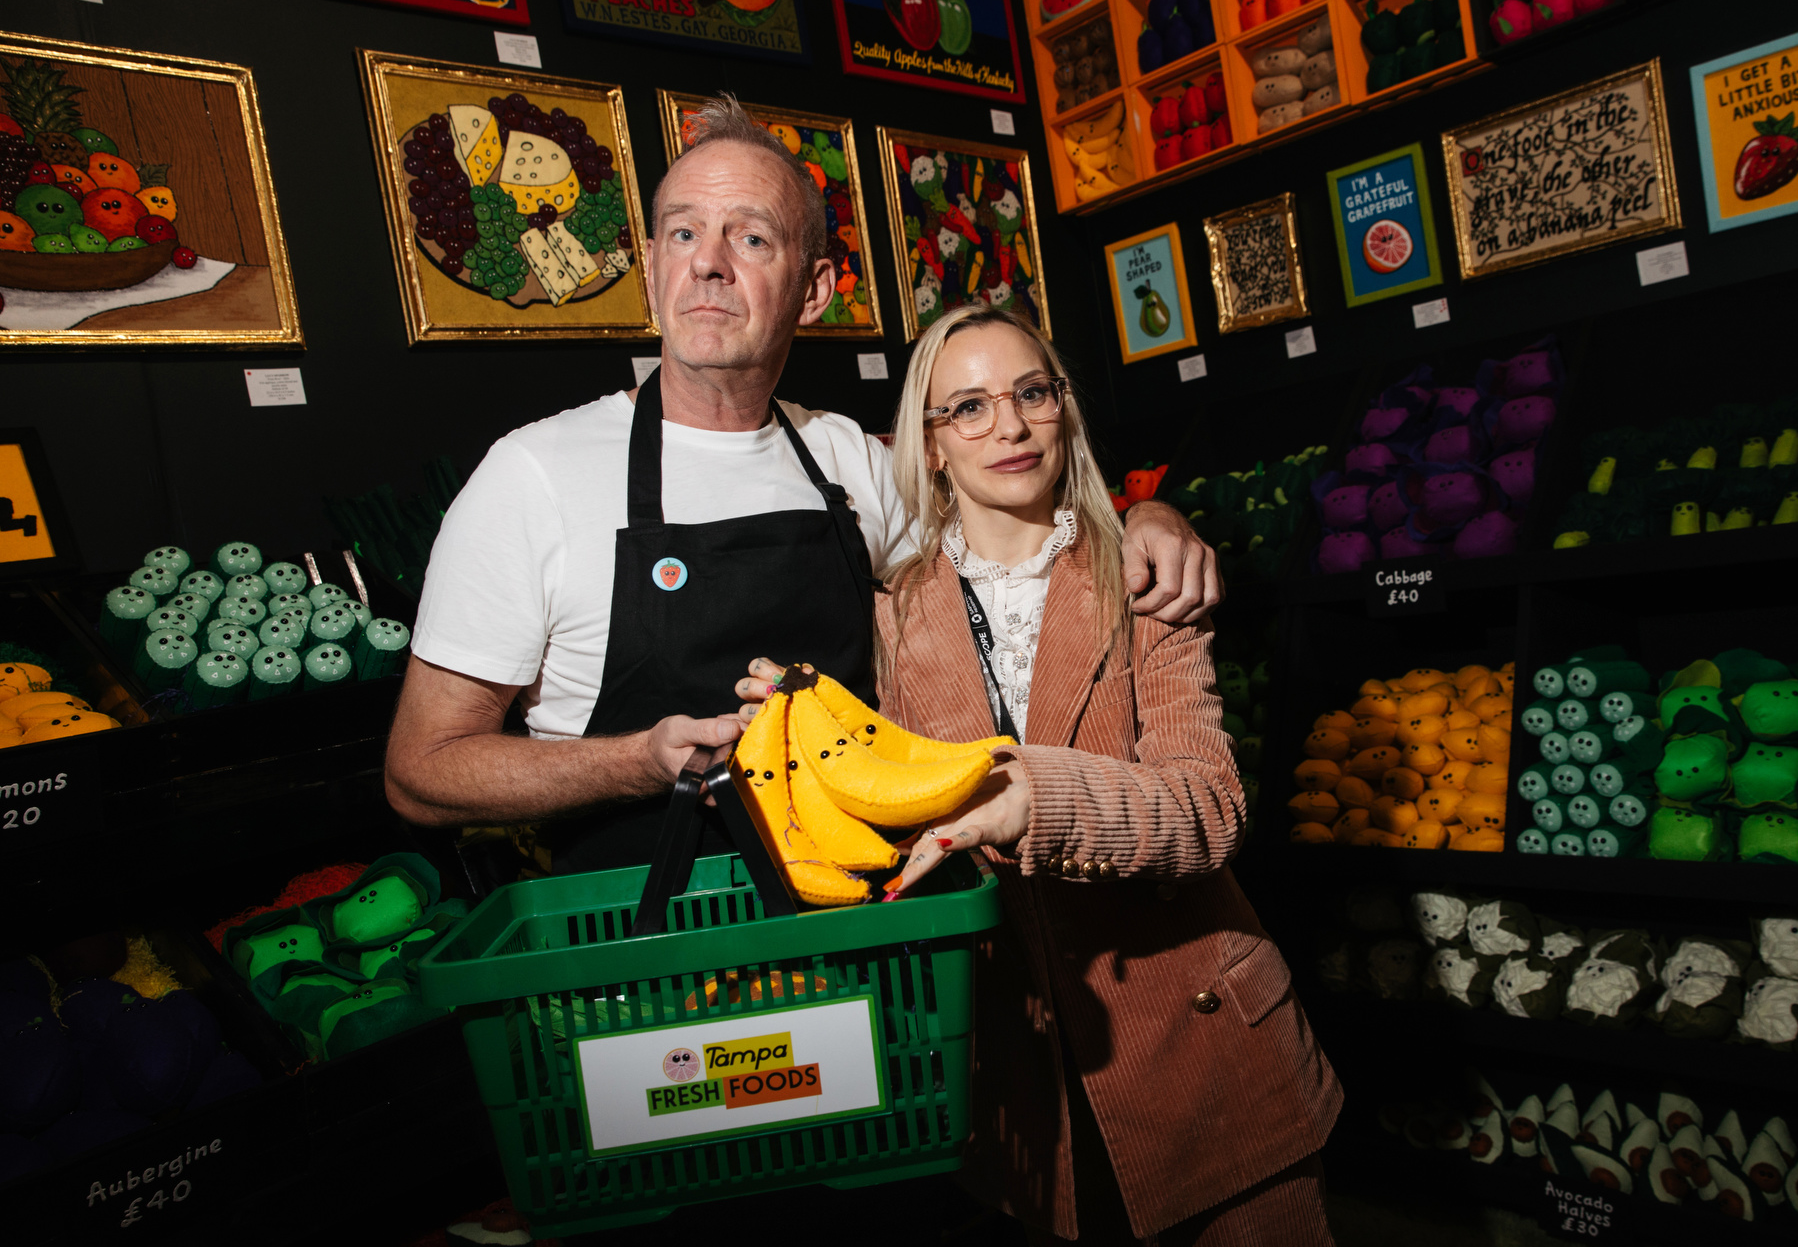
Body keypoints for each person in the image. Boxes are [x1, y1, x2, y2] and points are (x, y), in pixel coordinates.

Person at [383, 93, 1219, 875]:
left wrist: (1149, 513)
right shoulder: (532, 475)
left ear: (815, 290)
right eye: (682, 234)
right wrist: (638, 762)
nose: (707, 263)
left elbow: (1015, 531)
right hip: (646, 950)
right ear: (649, 267)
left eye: (750, 238)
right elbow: (422, 772)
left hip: (868, 932)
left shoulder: (848, 459)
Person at [736, 305, 1341, 1247]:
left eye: (1030, 394)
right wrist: (790, 730)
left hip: (1203, 1051)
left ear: (1065, 407)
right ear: (928, 446)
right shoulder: (891, 620)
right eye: (966, 408)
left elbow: (1211, 808)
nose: (1008, 429)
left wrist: (1037, 800)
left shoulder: (1143, 577)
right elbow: (890, 818)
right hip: (1025, 1084)